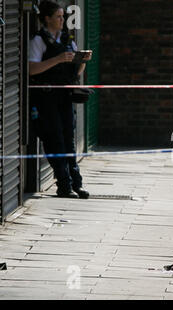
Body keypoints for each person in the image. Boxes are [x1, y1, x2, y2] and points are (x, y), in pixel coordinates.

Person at [29, 0, 92, 199]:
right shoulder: (38, 41)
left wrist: (82, 61)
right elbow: (32, 69)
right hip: (46, 98)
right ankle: (63, 185)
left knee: (68, 140)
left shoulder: (67, 39)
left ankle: (77, 183)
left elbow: (76, 71)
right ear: (47, 19)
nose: (62, 20)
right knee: (54, 138)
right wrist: (57, 59)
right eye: (58, 16)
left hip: (65, 97)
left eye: (63, 16)